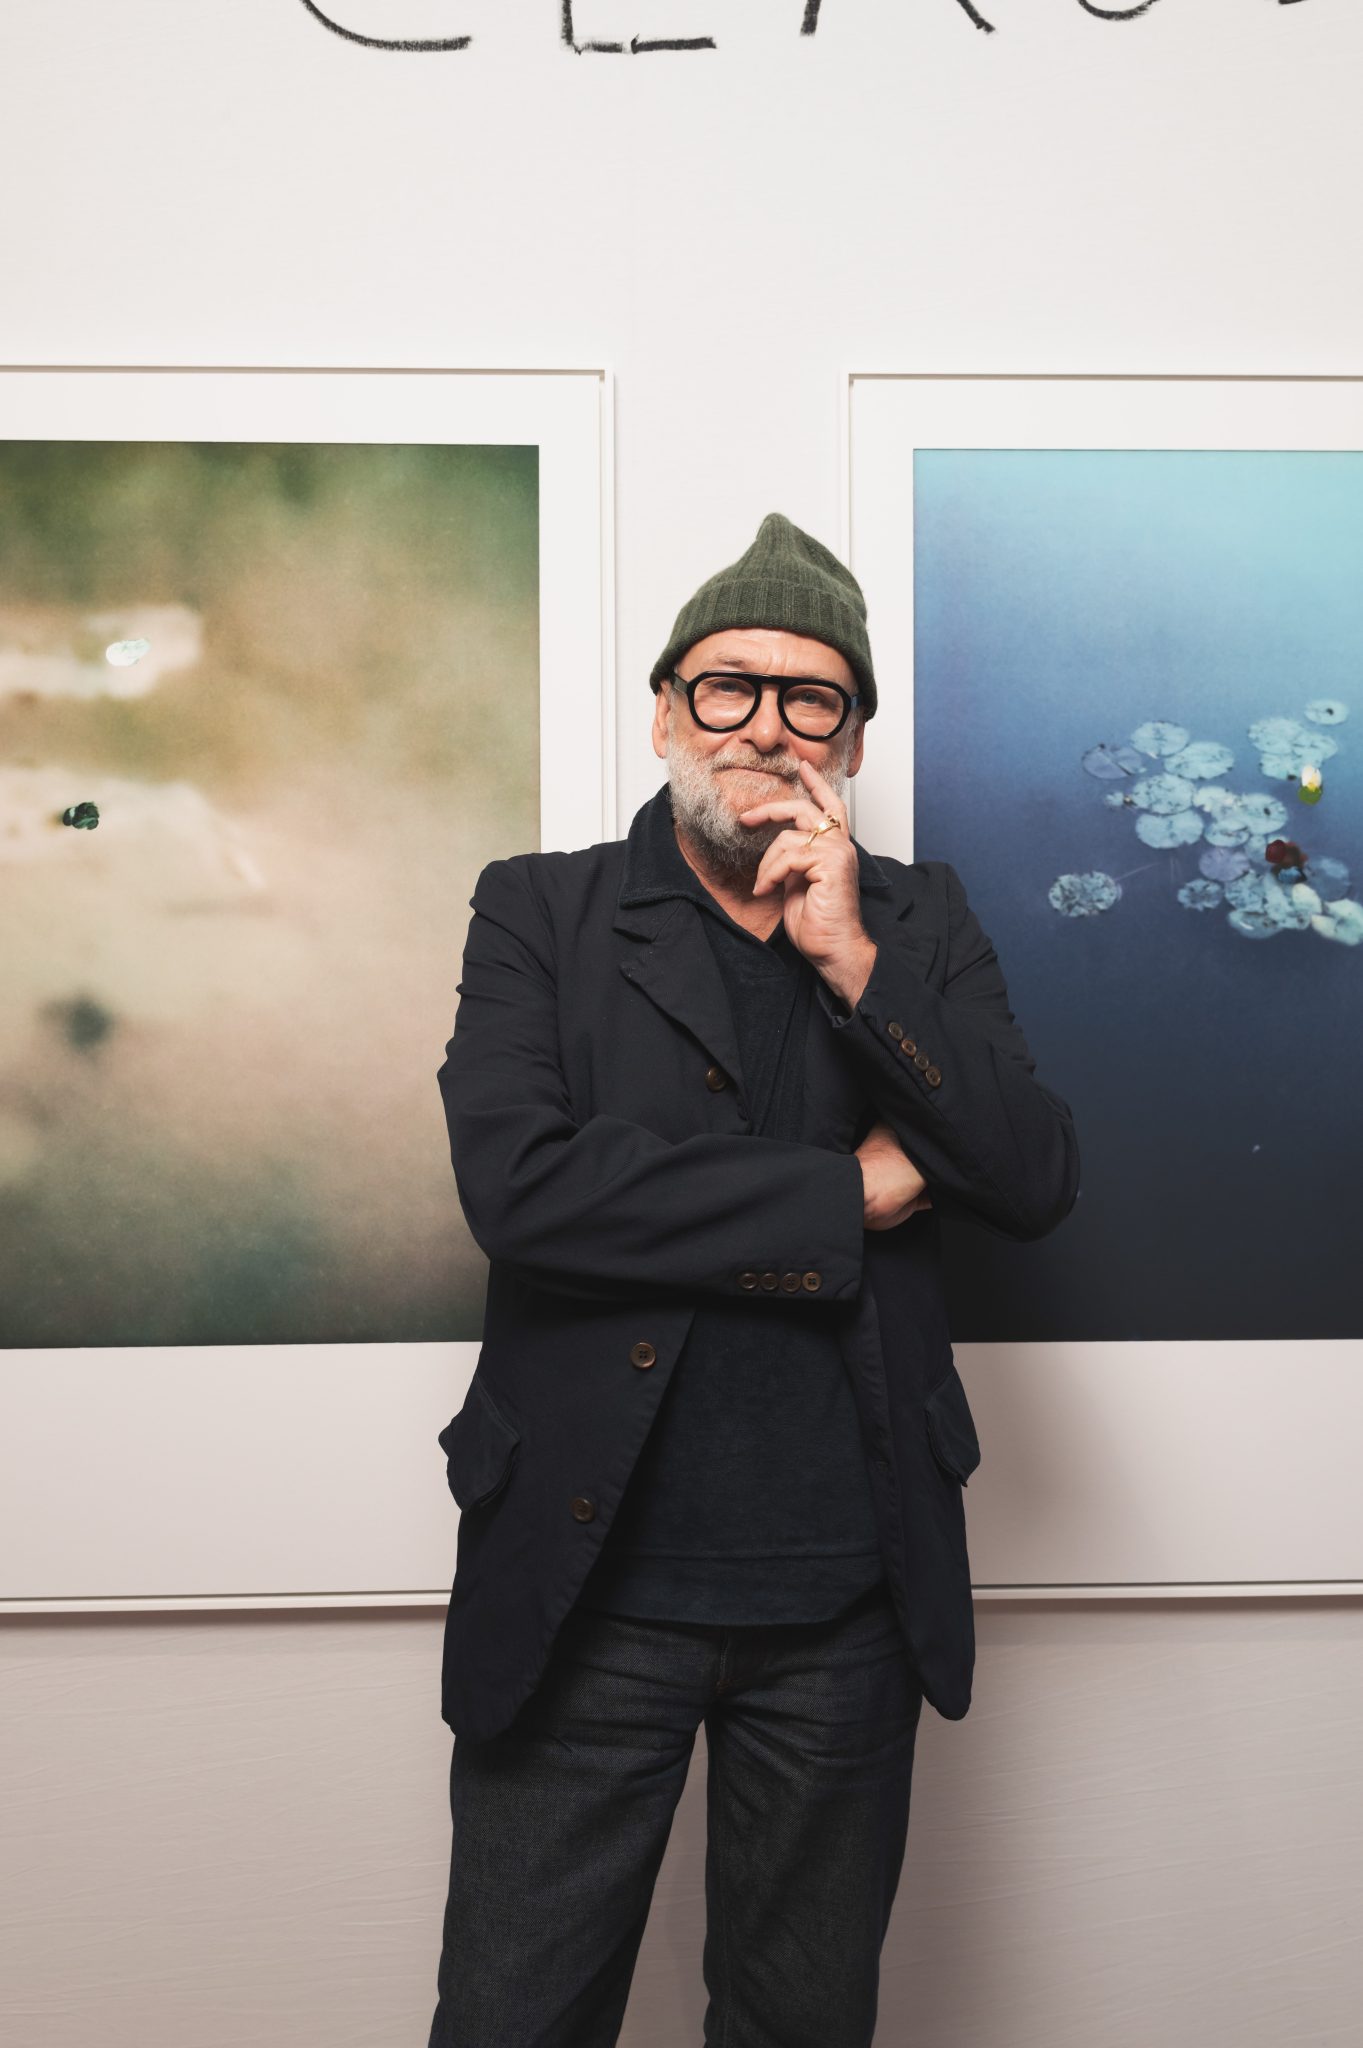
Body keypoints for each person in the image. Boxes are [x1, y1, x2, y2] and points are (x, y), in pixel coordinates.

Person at [426, 512, 1080, 2048]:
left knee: (802, 2027)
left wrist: (852, 957)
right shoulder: (540, 909)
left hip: (847, 1604)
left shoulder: (920, 921)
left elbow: (1032, 1175)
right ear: (667, 712)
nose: (766, 727)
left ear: (849, 740)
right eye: (727, 687)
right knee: (515, 2019)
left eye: (812, 699)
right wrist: (851, 1190)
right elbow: (521, 1187)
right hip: (588, 1599)